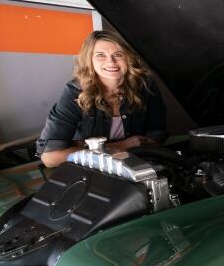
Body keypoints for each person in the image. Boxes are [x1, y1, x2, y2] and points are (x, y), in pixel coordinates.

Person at [37, 30, 167, 167]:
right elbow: (50, 158)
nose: (111, 61)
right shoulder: (75, 92)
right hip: (91, 171)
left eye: (118, 54)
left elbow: (156, 137)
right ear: (89, 60)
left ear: (128, 58)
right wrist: (122, 145)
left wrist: (82, 147)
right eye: (100, 55)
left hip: (136, 164)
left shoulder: (145, 85)